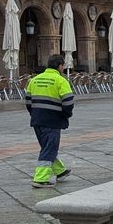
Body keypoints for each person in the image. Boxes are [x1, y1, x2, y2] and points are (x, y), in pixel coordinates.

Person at [25, 54, 74, 188]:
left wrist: (35, 114)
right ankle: (40, 178)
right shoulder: (61, 80)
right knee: (50, 147)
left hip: (37, 120)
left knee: (47, 146)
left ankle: (60, 171)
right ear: (60, 66)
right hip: (53, 121)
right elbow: (68, 102)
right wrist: (66, 115)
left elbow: (28, 101)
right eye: (63, 66)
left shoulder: (34, 80)